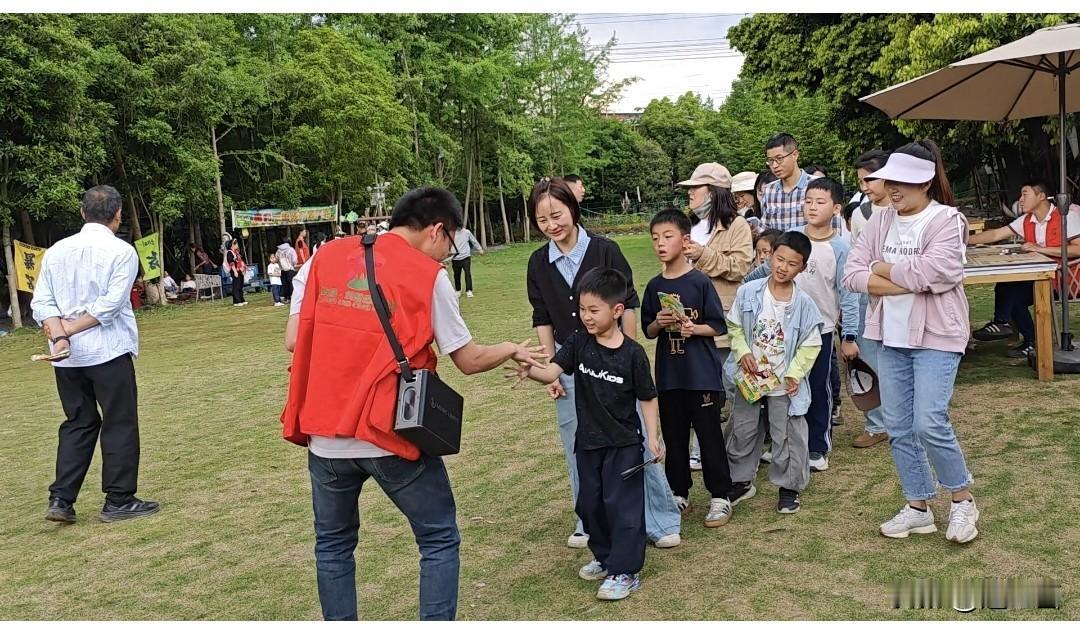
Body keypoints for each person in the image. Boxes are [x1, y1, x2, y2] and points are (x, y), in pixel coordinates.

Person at [281, 187, 547, 620]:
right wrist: (508, 348)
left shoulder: (322, 258)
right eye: (452, 242)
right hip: (388, 433)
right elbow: (468, 360)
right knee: (438, 537)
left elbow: (294, 339)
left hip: (325, 436)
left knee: (333, 546)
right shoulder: (428, 276)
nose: (447, 254)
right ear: (438, 230)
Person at [525, 178, 682, 550]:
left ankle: (659, 519)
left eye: (557, 215)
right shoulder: (538, 262)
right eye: (542, 219)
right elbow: (542, 315)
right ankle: (590, 521)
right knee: (577, 441)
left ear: (573, 209)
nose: (551, 225)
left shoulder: (604, 250)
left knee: (638, 436)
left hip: (614, 359)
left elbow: (627, 302)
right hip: (569, 359)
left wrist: (625, 354)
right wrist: (551, 367)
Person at [842, 140, 980, 544]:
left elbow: (935, 274)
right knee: (899, 426)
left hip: (937, 336)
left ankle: (961, 499)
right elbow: (851, 276)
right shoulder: (879, 221)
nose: (894, 189)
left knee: (929, 421)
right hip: (890, 336)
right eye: (891, 181)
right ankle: (918, 505)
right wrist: (904, 278)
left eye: (905, 182)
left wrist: (881, 269)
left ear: (926, 183)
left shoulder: (947, 221)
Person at [510, 267, 663, 602]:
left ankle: (625, 571)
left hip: (623, 443)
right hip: (589, 443)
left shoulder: (633, 354)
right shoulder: (579, 342)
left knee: (622, 507)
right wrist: (529, 369)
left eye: (594, 310)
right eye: (582, 309)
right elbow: (551, 370)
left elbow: (648, 398)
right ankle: (605, 557)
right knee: (590, 504)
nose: (586, 316)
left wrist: (653, 437)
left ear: (617, 310)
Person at [30, 185, 159, 524]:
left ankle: (61, 498)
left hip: (66, 357)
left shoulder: (57, 251)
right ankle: (119, 499)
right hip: (108, 351)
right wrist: (68, 332)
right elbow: (111, 305)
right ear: (117, 216)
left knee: (78, 422)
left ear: (83, 213)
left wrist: (59, 336)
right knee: (119, 421)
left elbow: (42, 302)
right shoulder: (121, 251)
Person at [744, 177, 860, 472]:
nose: (811, 207)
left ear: (836, 208)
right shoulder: (793, 236)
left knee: (817, 389)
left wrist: (849, 335)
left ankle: (817, 447)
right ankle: (783, 444)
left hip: (817, 332)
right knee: (782, 389)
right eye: (808, 201)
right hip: (780, 330)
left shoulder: (841, 248)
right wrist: (745, 287)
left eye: (819, 202)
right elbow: (766, 269)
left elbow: (848, 296)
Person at [641, 210, 733, 526]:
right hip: (670, 376)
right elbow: (648, 330)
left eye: (667, 237)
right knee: (675, 438)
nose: (660, 244)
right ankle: (678, 493)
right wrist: (658, 322)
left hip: (702, 375)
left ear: (685, 240)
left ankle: (721, 496)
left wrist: (694, 328)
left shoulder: (700, 281)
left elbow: (719, 325)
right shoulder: (654, 287)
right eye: (655, 238)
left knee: (709, 437)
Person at [725, 231, 823, 514]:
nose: (783, 267)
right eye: (779, 259)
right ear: (770, 255)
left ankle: (789, 487)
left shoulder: (803, 303)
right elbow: (734, 327)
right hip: (750, 378)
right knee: (742, 429)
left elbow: (811, 343)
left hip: (783, 383)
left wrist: (794, 374)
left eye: (792, 264)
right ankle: (741, 481)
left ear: (802, 268)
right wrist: (743, 352)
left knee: (788, 436)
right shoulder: (749, 292)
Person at [676, 162, 754, 471]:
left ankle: (739, 450)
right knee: (698, 389)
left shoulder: (737, 227)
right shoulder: (689, 226)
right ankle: (699, 449)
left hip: (724, 322)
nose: (691, 193)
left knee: (734, 389)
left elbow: (740, 267)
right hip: (690, 323)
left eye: (696, 188)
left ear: (714, 192)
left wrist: (702, 255)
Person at [969, 179, 1080, 358]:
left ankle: (1016, 331)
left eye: (1025, 194)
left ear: (1041, 196)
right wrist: (963, 239)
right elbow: (997, 233)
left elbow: (1078, 248)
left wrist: (1040, 249)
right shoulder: (1028, 220)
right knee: (1008, 287)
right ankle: (1015, 331)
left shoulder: (1066, 217)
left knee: (1012, 292)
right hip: (1038, 275)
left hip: (1063, 278)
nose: (1020, 199)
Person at [849, 150, 891, 448]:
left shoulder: (908, 211)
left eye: (869, 179)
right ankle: (876, 424)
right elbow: (855, 260)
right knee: (869, 359)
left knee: (902, 358)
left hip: (903, 295)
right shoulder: (860, 214)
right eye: (860, 180)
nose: (864, 186)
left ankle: (902, 420)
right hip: (868, 294)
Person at [762, 133, 831, 232]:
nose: (775, 165)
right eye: (771, 161)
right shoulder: (769, 190)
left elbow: (833, 231)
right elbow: (765, 230)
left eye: (779, 159)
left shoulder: (819, 186)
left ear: (795, 155)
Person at [451, 226, 484, 297]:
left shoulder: (467, 232)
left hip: (465, 257)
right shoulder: (451, 233)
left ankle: (469, 290)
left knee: (467, 273)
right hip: (455, 258)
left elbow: (474, 241)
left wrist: (480, 249)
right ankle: (458, 290)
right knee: (456, 275)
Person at [225, 240, 247, 306]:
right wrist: (234, 271)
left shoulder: (236, 252)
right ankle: (236, 301)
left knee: (240, 285)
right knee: (236, 286)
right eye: (235, 243)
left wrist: (243, 269)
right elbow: (231, 263)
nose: (237, 244)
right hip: (235, 270)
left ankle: (241, 299)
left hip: (240, 270)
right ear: (231, 245)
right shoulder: (229, 252)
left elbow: (240, 261)